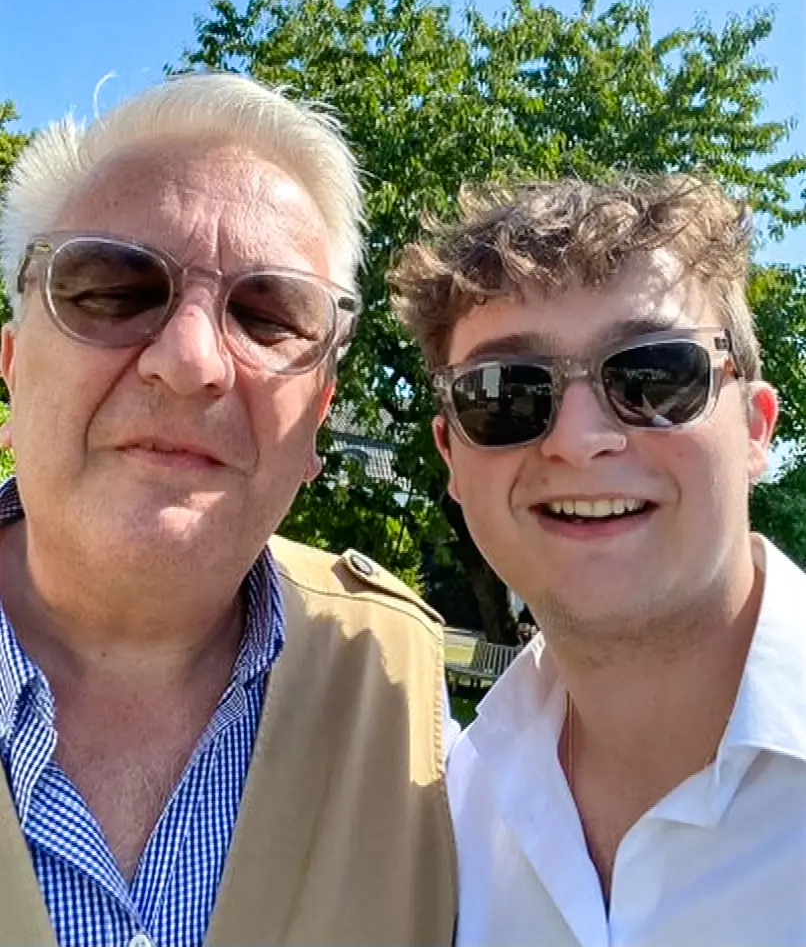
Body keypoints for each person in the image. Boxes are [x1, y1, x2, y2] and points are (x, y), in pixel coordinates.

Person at [0, 73, 456, 947]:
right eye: (112, 291)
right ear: (14, 367)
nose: (191, 361)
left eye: (268, 315)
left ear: (318, 418)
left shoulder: (409, 698)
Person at [391, 176, 806, 946]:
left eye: (654, 374)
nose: (578, 441)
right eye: (504, 392)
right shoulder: (453, 811)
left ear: (755, 429)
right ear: (451, 456)